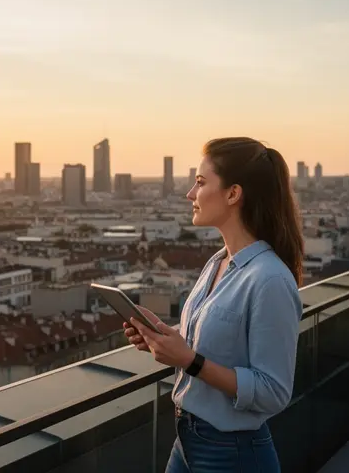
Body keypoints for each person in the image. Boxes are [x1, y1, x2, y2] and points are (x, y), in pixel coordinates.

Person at [124, 137, 304, 472]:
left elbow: (273, 392)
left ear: (234, 194)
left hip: (234, 453)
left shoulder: (270, 280)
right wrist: (161, 336)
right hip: (187, 441)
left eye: (201, 182)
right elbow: (212, 339)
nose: (190, 194)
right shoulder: (217, 263)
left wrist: (189, 361)